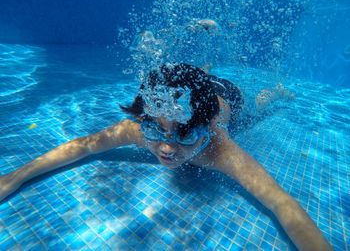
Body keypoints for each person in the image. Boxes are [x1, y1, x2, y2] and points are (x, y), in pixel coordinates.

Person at [0, 63, 331, 250]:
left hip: (228, 96)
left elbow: (280, 203)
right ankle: (200, 70)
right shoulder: (143, 127)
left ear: (205, 129)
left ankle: (274, 93)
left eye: (185, 135)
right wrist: (14, 178)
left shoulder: (220, 148)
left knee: (258, 107)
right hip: (193, 93)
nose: (167, 148)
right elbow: (84, 145)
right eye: (157, 132)